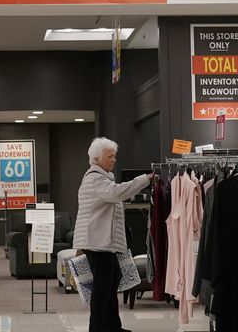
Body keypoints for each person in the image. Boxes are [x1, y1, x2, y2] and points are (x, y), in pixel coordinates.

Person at [73, 137, 154, 332]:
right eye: (110, 156)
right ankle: (99, 328)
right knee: (103, 287)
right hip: (97, 243)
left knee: (110, 283)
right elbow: (117, 193)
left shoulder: (101, 178)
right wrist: (145, 179)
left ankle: (112, 326)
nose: (114, 160)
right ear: (96, 159)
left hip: (102, 242)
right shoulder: (95, 178)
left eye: (114, 156)